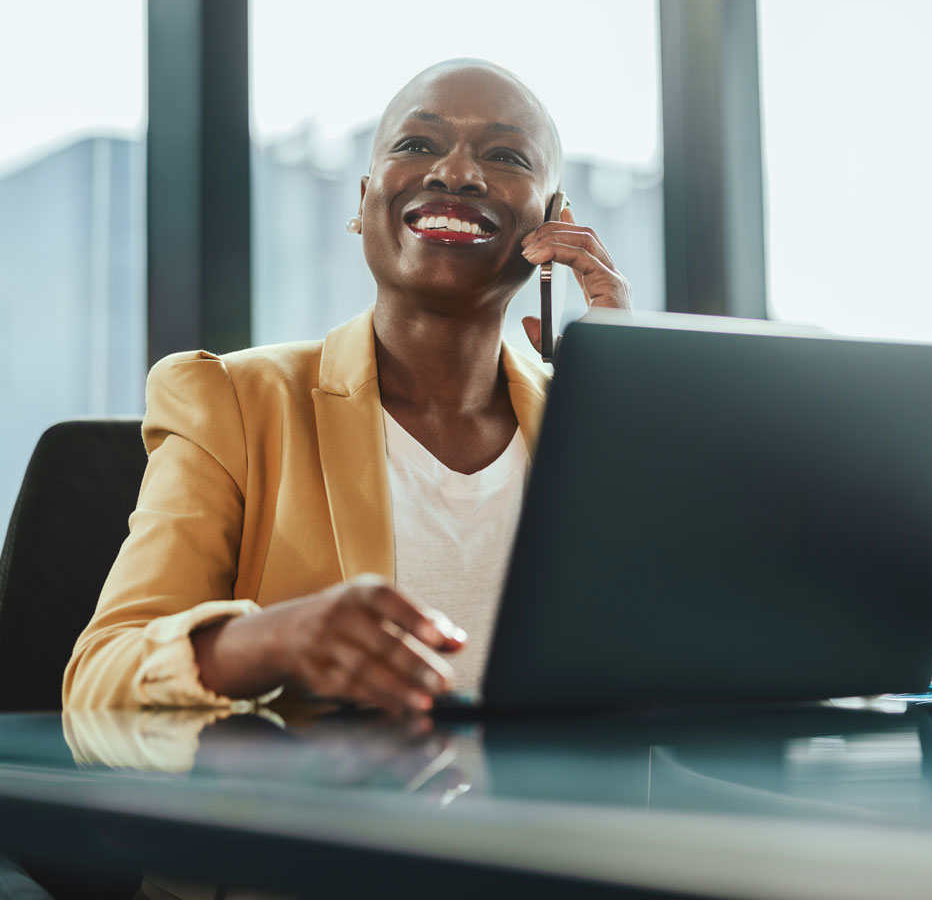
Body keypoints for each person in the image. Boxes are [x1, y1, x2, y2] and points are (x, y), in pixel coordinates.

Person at [64, 58, 632, 715]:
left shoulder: (594, 427)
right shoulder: (233, 403)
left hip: (550, 816)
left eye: (505, 155)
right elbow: (99, 677)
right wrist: (273, 640)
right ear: (364, 202)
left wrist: (631, 396)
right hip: (327, 815)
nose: (455, 173)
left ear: (555, 219)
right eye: (418, 145)